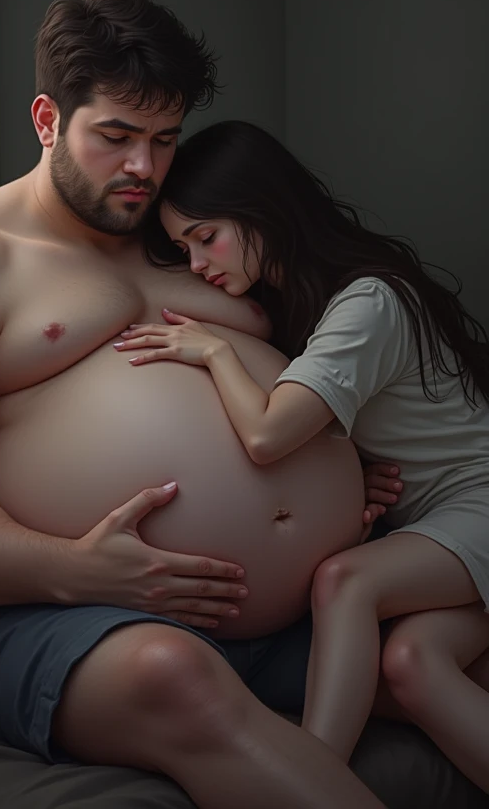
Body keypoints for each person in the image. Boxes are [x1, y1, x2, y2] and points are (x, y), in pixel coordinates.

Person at [0, 0, 387, 809]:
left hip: (286, 598)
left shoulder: (189, 236)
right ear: (46, 119)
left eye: (164, 138)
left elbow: (336, 361)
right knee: (175, 675)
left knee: (447, 643)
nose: (143, 166)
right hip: (29, 608)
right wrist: (78, 571)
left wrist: (359, 468)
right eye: (115, 136)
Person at [129, 118, 489, 792]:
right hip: (442, 516)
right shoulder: (308, 308)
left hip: (481, 501)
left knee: (344, 582)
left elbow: (267, 437)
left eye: (207, 238)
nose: (199, 265)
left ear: (264, 209)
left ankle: (308, 779)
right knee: (411, 662)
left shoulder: (368, 302)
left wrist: (213, 350)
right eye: (184, 248)